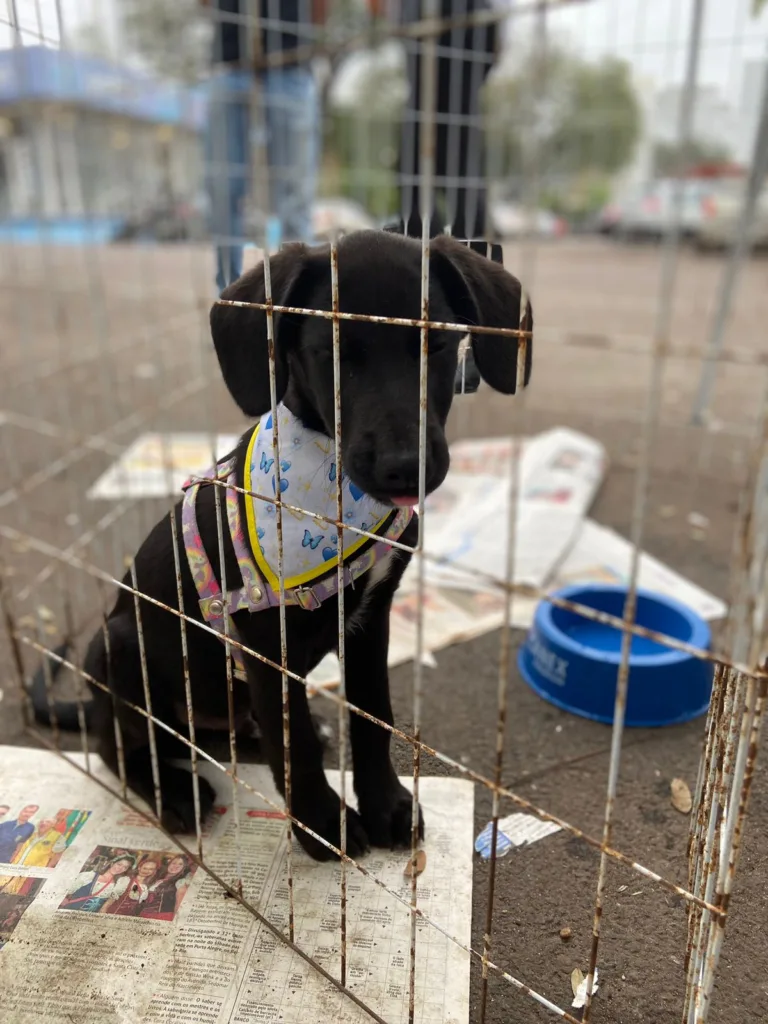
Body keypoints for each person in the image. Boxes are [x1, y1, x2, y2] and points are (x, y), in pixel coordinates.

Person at [202, 0, 326, 293]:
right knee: (223, 189)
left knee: (295, 193)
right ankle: (228, 296)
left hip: (291, 56)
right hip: (230, 58)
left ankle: (297, 295)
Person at [387, 0, 498, 239]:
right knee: (438, 170)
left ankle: (449, 240)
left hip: (459, 30)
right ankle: (439, 239)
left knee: (447, 169)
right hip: (453, 35)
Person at [59, 853, 135, 913]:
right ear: (112, 863)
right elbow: (65, 889)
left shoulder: (117, 885)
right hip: (71, 911)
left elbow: (107, 904)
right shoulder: (89, 876)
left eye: (125, 867)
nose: (120, 868)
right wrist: (63, 898)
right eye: (119, 864)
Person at [140, 854, 194, 921]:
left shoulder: (180, 882)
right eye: (173, 863)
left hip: (162, 917)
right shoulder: (156, 878)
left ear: (183, 868)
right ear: (169, 864)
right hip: (143, 915)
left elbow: (179, 906)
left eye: (180, 864)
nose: (175, 866)